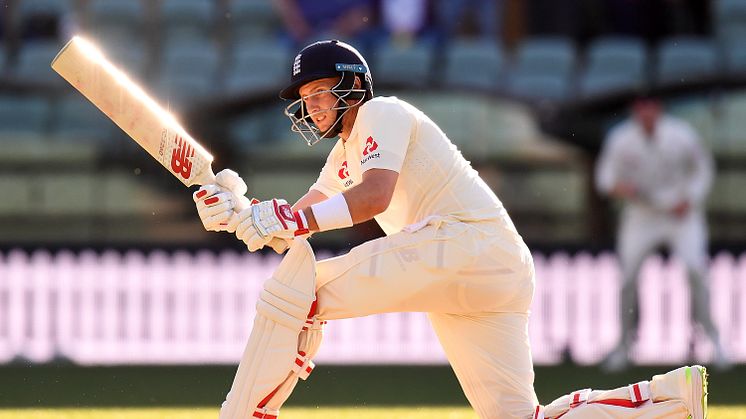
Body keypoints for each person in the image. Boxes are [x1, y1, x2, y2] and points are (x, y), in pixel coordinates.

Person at [194, 40, 708, 419]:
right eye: (306, 98)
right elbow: (300, 220)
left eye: (321, 92)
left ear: (354, 85)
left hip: (462, 243)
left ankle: (241, 414)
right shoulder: (344, 154)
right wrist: (243, 212)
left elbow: (373, 198)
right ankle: (670, 401)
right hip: (494, 269)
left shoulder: (381, 113)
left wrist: (284, 219)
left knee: (298, 292)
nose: (313, 106)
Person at [596, 94, 729, 372]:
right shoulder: (621, 139)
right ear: (635, 109)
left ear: (659, 108)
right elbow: (604, 177)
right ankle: (623, 347)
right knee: (627, 277)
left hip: (681, 214)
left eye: (651, 106)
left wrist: (689, 199)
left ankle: (716, 344)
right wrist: (619, 188)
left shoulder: (681, 134)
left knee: (695, 270)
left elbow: (703, 169)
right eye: (641, 106)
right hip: (641, 215)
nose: (646, 112)